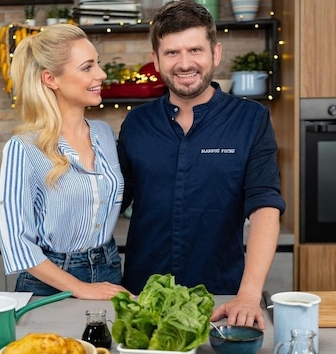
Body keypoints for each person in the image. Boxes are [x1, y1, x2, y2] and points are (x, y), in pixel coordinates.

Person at [117, 0, 286, 329]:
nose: (184, 64)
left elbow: (265, 205)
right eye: (171, 53)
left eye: (195, 50)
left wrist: (249, 294)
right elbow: (111, 201)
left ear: (215, 53)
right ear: (156, 59)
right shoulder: (136, 123)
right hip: (143, 299)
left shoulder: (252, 119)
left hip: (222, 299)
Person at [0, 24, 130, 300]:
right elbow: (17, 243)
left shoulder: (104, 134)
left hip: (109, 267)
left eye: (98, 64)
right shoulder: (23, 148)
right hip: (49, 282)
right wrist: (79, 288)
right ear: (51, 79)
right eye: (87, 67)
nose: (101, 74)